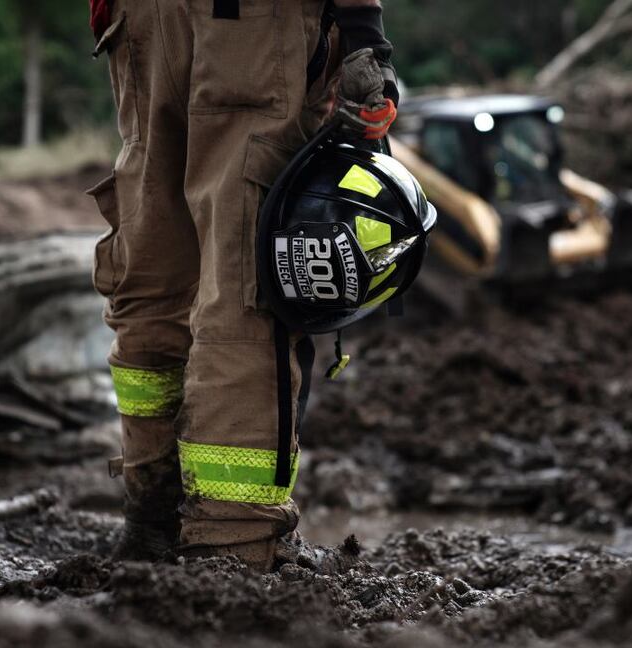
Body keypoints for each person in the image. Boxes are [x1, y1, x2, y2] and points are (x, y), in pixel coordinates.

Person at [86, 0, 399, 571]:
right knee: (244, 284)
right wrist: (362, 31)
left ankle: (151, 521)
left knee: (156, 272)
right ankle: (231, 545)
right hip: (251, 21)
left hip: (138, 21)